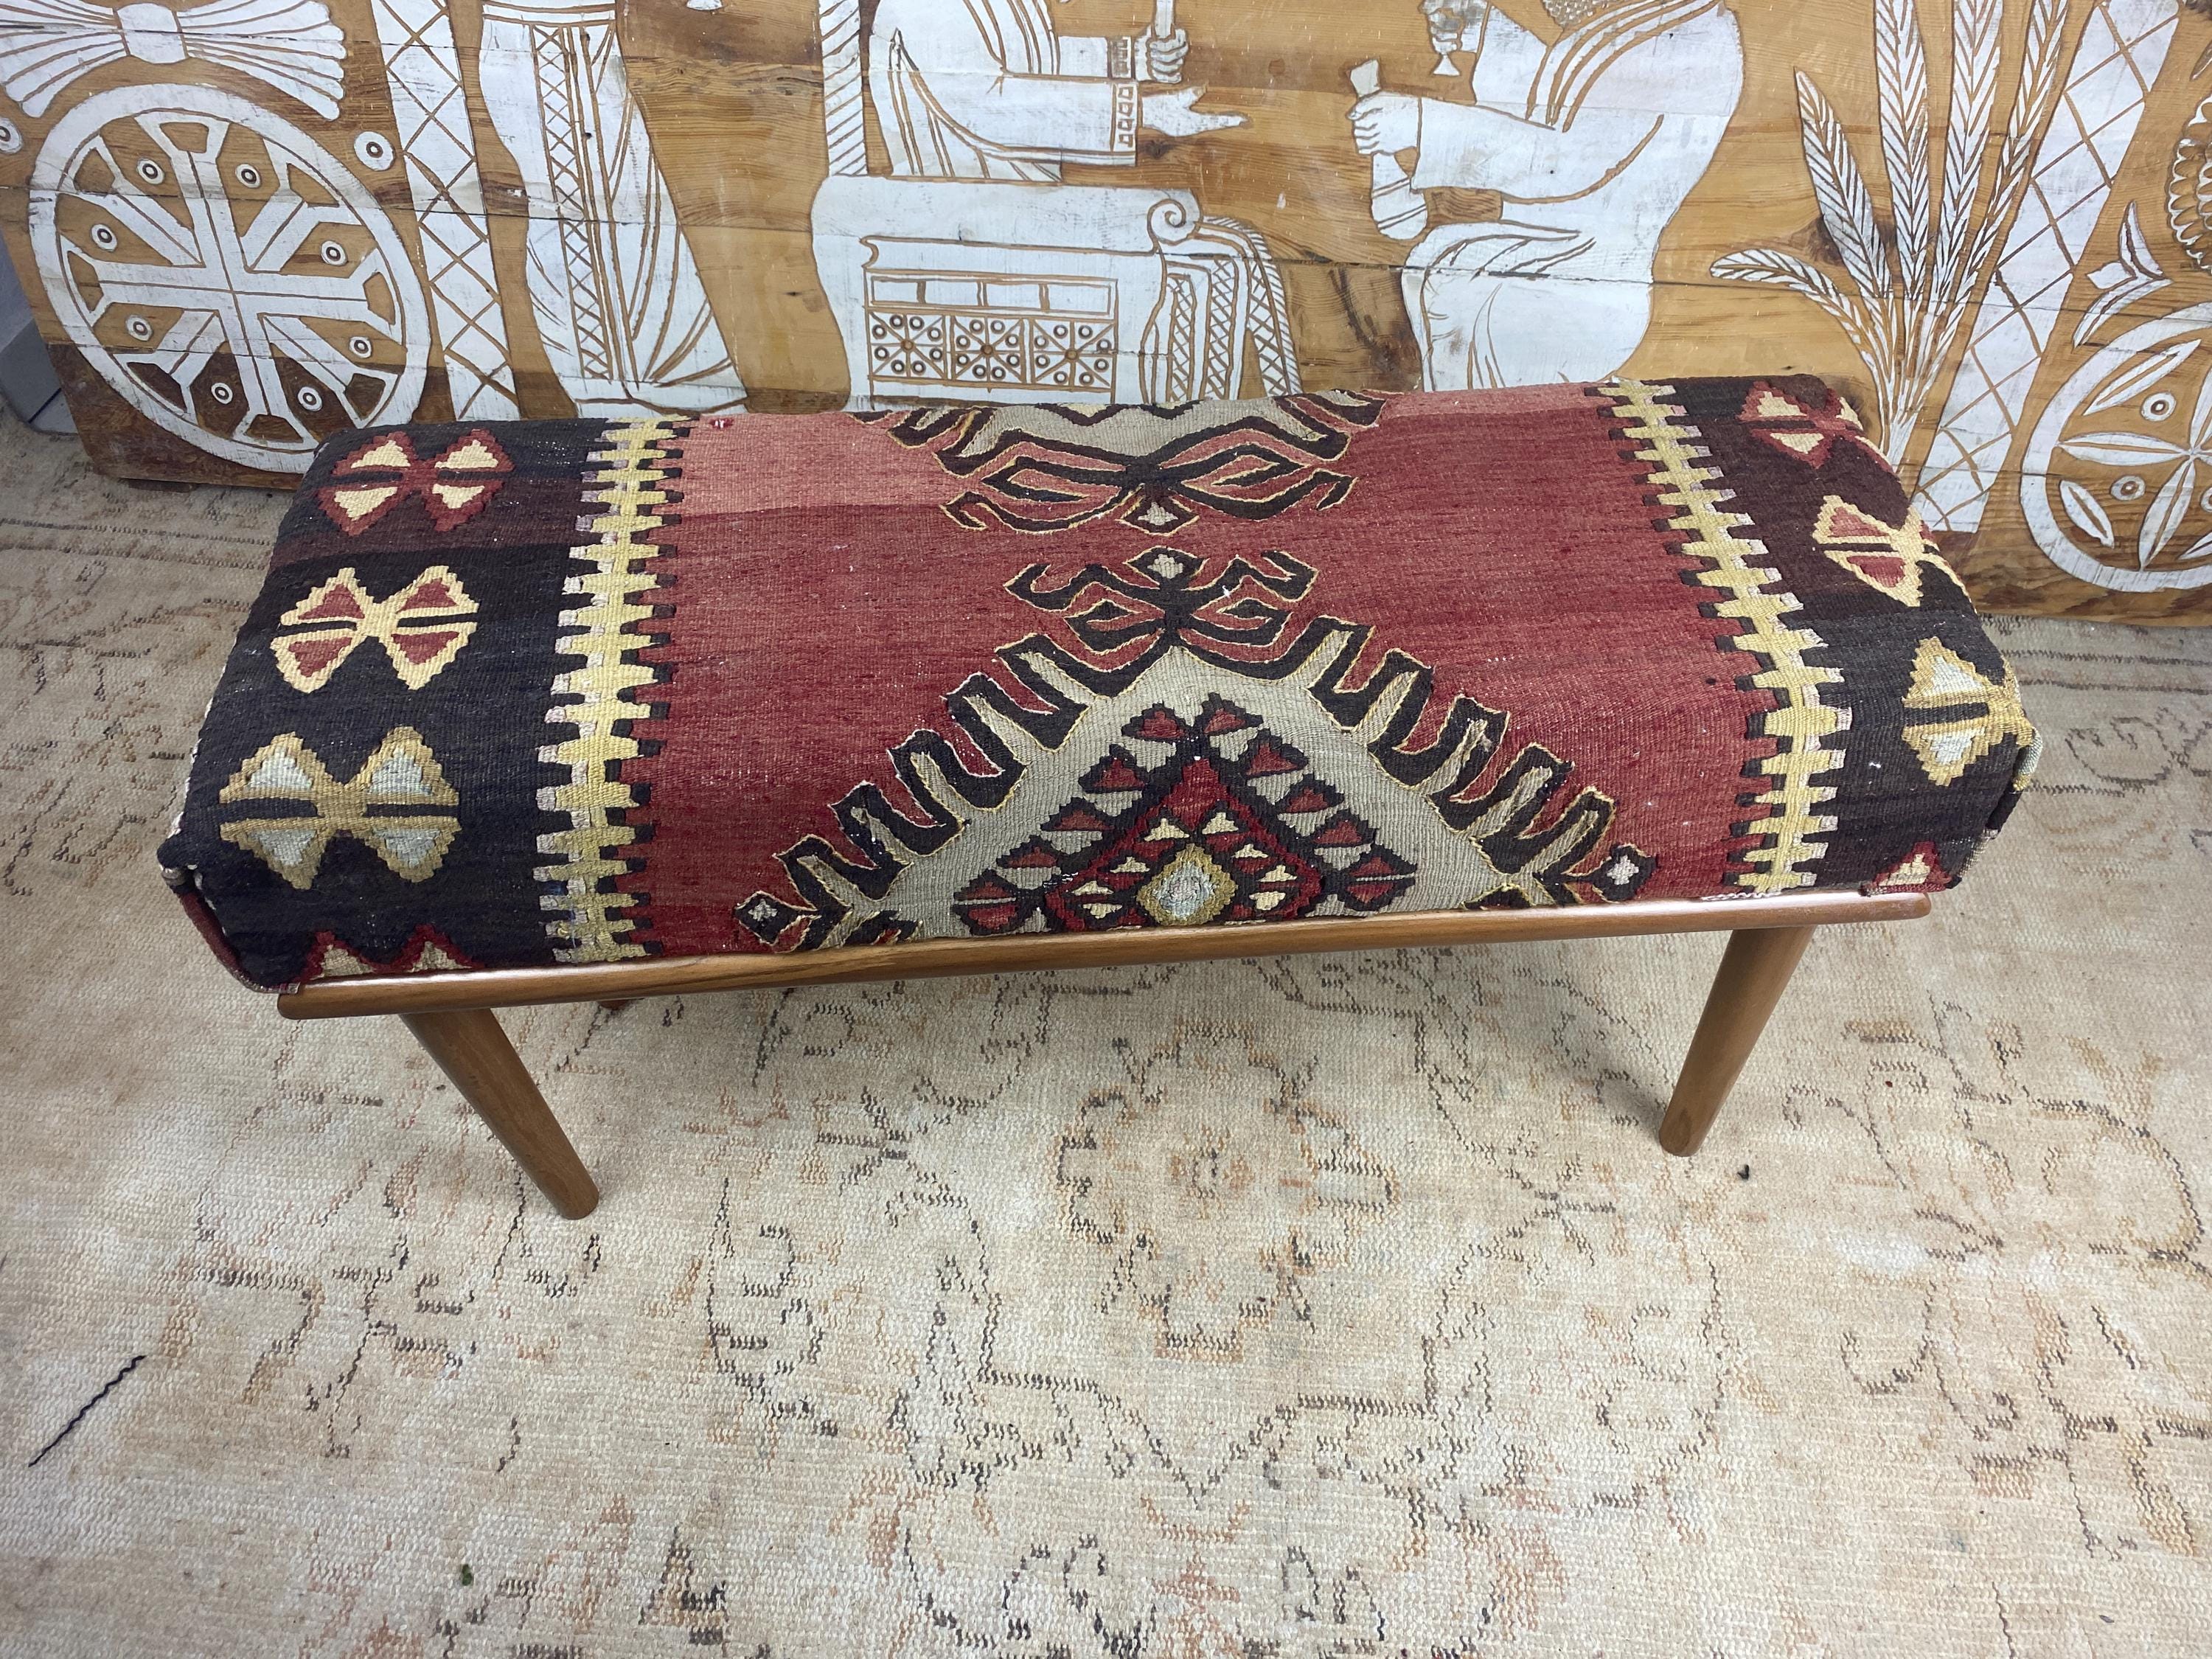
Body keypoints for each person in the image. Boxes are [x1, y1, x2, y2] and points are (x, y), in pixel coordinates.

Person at [1350, 0, 1742, 390]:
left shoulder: (1690, 42)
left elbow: (1565, 162)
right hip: (1532, 273)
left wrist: (1424, 124)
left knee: (1500, 419)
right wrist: (1486, 30)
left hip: (1568, 296)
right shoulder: (1653, 21)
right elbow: (1559, 102)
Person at [869, 0, 1241, 180]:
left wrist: (1135, 59)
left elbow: (1027, 62)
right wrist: (1144, 112)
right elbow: (994, 110)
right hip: (962, 220)